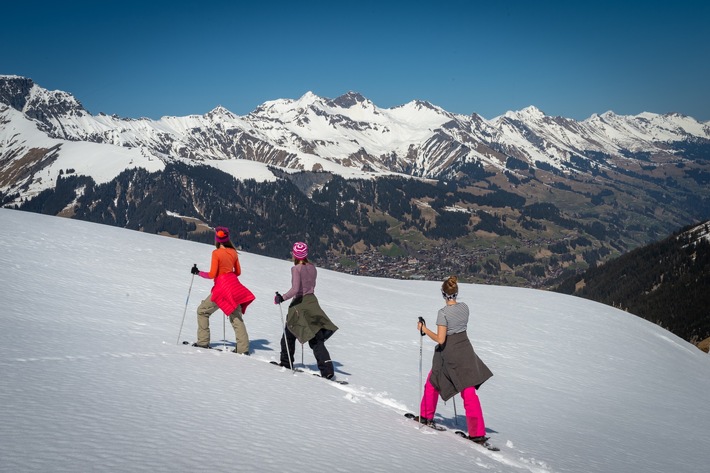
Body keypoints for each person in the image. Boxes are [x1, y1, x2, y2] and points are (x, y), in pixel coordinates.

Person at [416, 276, 496, 449]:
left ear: (443, 294)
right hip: (465, 351)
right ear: (456, 293)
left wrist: (424, 329)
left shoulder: (443, 313)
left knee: (433, 381)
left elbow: (440, 339)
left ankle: (426, 416)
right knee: (468, 391)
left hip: (448, 354)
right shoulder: (465, 308)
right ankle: (477, 433)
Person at [274, 242, 338, 379]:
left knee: (289, 333)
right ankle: (327, 370)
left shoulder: (296, 269)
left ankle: (286, 362)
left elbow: (295, 290)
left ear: (295, 254)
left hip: (300, 305)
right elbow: (311, 286)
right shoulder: (313, 268)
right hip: (312, 303)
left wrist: (281, 298)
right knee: (316, 339)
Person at [191, 226, 255, 355]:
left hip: (221, 288)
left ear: (217, 239)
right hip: (234, 286)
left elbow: (212, 274)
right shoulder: (233, 252)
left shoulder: (216, 253)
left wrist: (198, 273)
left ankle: (203, 342)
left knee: (202, 311)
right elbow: (238, 272)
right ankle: (243, 349)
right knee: (236, 317)